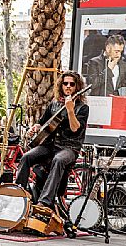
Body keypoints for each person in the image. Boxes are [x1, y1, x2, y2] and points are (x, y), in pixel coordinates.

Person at [15, 71, 89, 209]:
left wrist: (70, 111)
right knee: (26, 157)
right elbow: (42, 122)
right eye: (65, 83)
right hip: (49, 145)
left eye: (72, 84)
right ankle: (19, 193)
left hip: (69, 148)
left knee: (59, 160)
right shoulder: (54, 104)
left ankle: (45, 202)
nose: (68, 86)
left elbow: (75, 129)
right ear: (61, 85)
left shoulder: (82, 108)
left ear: (77, 87)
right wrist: (35, 127)